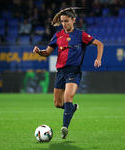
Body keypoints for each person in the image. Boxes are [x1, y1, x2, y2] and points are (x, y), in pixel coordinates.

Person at [33, 7, 104, 139]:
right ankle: (71, 108)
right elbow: (47, 53)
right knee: (58, 104)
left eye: (66, 21)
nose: (64, 24)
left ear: (73, 20)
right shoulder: (58, 35)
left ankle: (64, 128)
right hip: (60, 71)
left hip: (74, 71)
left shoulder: (81, 35)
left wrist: (98, 58)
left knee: (67, 98)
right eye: (62, 21)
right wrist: (39, 51)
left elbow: (99, 44)